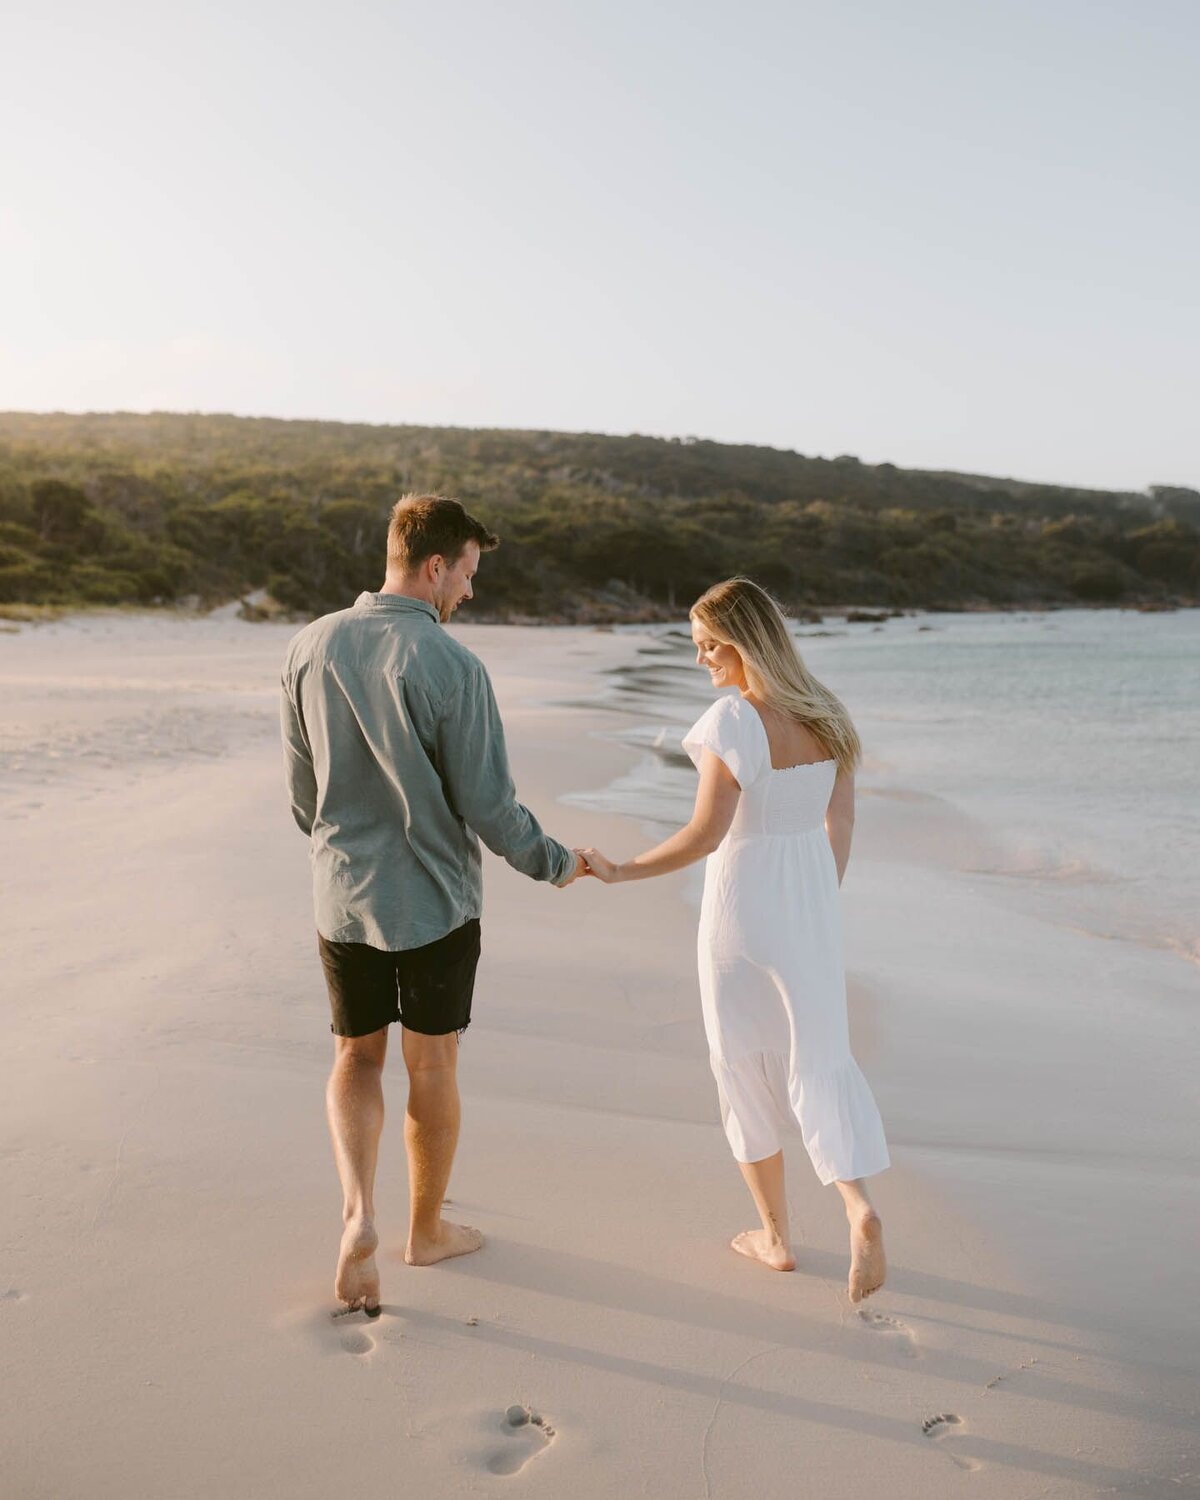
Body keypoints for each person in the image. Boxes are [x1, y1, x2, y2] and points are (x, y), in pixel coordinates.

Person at [281, 494, 584, 1316]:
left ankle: (357, 1217)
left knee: (355, 1059)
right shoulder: (453, 666)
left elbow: (303, 799)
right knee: (432, 1065)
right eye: (469, 575)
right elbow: (490, 809)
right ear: (436, 564)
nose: (470, 593)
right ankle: (424, 1232)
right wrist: (556, 863)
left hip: (342, 896)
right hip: (436, 904)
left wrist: (347, 841)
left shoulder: (309, 646)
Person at [578, 577, 890, 1302]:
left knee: (741, 1064)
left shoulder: (732, 720)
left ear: (743, 642)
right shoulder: (830, 715)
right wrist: (816, 896)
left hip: (740, 909)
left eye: (708, 646)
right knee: (820, 1059)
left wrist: (621, 871)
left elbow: (706, 833)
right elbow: (838, 826)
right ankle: (859, 1207)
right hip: (809, 907)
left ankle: (776, 1239)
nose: (701, 661)